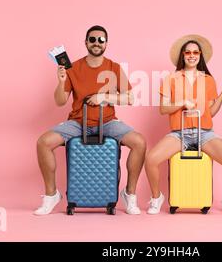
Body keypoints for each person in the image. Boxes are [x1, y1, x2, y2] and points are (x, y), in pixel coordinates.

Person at [35, 25, 146, 215]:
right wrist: (61, 80)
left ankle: (130, 194)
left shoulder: (114, 67)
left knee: (139, 142)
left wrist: (104, 97)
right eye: (92, 39)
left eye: (101, 40)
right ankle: (51, 195)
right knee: (43, 142)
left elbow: (130, 98)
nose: (97, 43)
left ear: (106, 44)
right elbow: (60, 101)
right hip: (79, 123)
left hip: (108, 122)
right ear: (86, 42)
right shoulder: (73, 68)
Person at [145, 34, 222, 215]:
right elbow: (163, 109)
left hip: (204, 132)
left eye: (195, 52)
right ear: (182, 55)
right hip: (179, 133)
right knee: (151, 160)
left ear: (200, 55)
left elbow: (210, 112)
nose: (191, 55)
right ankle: (156, 197)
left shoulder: (208, 80)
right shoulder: (171, 79)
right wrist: (181, 102)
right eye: (187, 52)